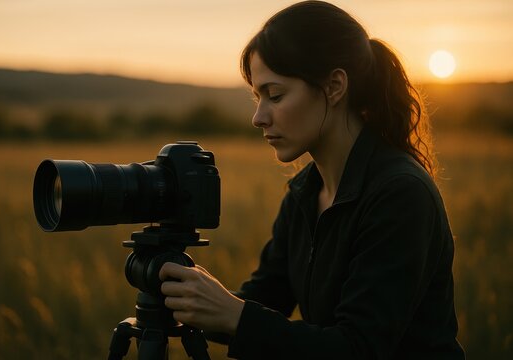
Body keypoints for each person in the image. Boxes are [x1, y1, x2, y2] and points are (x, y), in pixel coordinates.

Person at [159, 1, 465, 359]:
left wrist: (235, 315)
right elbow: (264, 299)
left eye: (275, 95)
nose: (258, 117)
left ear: (334, 86)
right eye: (257, 97)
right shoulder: (306, 191)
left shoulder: (400, 194)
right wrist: (184, 292)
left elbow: (357, 347)